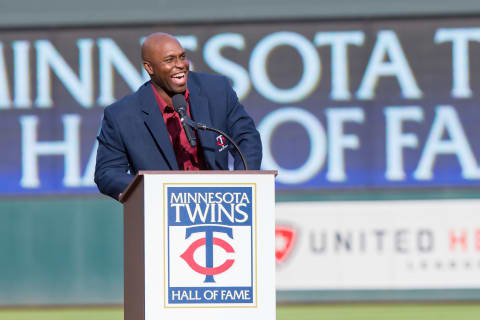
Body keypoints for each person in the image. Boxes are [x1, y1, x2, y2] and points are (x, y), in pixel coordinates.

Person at [94, 32, 262, 200]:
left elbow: (247, 137)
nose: (180, 65)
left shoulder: (217, 90)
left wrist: (242, 183)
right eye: (169, 60)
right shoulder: (122, 115)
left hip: (219, 204)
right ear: (149, 68)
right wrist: (150, 190)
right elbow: (107, 172)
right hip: (162, 209)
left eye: (182, 57)